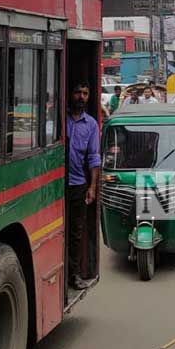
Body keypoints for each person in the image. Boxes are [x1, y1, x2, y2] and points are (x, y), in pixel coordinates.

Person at [65, 82, 101, 290]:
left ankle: (74, 275)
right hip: (57, 186)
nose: (81, 97)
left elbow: (94, 158)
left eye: (85, 93)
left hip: (78, 185)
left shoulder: (91, 125)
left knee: (76, 234)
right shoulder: (61, 119)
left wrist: (92, 187)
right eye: (77, 92)